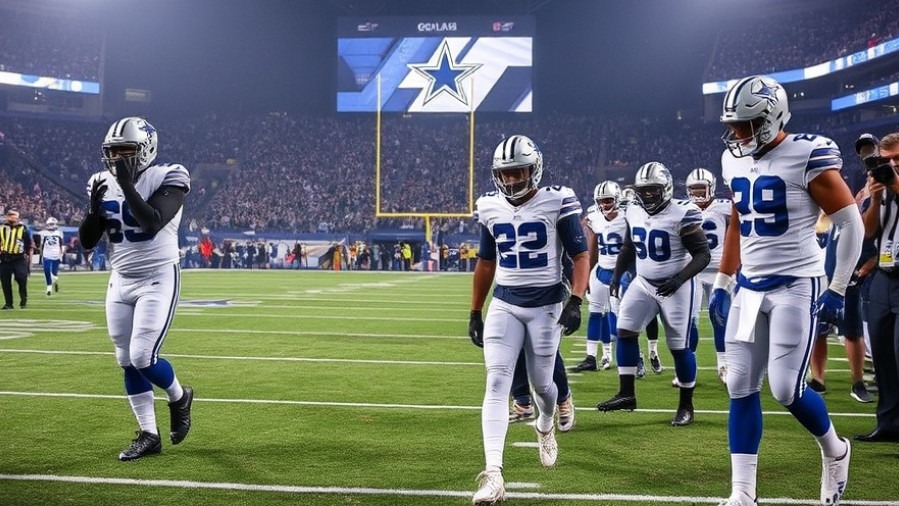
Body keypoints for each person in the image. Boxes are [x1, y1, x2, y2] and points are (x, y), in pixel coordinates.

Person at [710, 76, 861, 506]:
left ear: (771, 117)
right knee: (738, 384)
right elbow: (739, 220)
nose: (737, 134)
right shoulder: (732, 159)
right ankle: (742, 493)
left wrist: (838, 287)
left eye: (746, 125)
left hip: (797, 283)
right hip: (749, 286)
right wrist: (723, 281)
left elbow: (848, 222)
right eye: (733, 125)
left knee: (784, 388)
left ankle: (835, 449)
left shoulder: (807, 153)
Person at [468, 135, 589, 505]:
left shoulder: (557, 199)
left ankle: (545, 423)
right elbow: (487, 262)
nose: (511, 180)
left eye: (518, 171)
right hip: (505, 303)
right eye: (504, 173)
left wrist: (576, 300)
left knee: (542, 386)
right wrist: (475, 310)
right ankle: (493, 474)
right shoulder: (489, 206)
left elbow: (580, 255)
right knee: (496, 383)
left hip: (547, 304)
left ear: (533, 169)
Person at [78, 117, 194, 461]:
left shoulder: (170, 175)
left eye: (126, 152)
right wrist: (92, 210)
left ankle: (179, 396)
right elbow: (87, 241)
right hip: (120, 278)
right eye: (112, 153)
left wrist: (128, 186)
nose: (118, 160)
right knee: (126, 360)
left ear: (145, 150)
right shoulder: (99, 181)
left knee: (144, 356)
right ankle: (149, 434)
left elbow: (153, 221)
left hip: (158, 276)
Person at [596, 162, 710, 427]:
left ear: (666, 189)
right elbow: (628, 246)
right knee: (624, 330)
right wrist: (616, 277)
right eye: (643, 191)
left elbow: (702, 254)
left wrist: (679, 278)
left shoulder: (683, 212)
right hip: (644, 282)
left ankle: (686, 405)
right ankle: (626, 394)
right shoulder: (633, 210)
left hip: (678, 285)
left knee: (679, 348)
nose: (647, 196)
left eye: (653, 190)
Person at [858, 131, 899, 443]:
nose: (891, 165)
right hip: (884, 279)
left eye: (897, 158)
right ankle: (888, 424)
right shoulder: (880, 190)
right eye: (886, 160)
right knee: (883, 356)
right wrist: (874, 198)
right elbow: (869, 232)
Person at [573, 181, 627, 372]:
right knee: (595, 313)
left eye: (608, 200)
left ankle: (632, 356)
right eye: (601, 201)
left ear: (617, 199)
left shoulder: (628, 217)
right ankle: (590, 357)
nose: (604, 204)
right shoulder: (595, 217)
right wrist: (588, 273)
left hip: (621, 274)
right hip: (601, 271)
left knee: (620, 321)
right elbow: (593, 247)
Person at [685, 168, 733, 383]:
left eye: (700, 188)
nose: (697, 193)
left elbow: (737, 234)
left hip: (720, 271)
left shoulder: (724, 208)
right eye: (693, 189)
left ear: (711, 188)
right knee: (690, 320)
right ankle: (688, 365)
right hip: (694, 270)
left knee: (720, 317)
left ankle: (724, 364)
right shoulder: (683, 209)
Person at [0, 209, 33, 309]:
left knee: (21, 278)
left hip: (19, 257)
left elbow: (28, 244)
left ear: (18, 218)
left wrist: (28, 257)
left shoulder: (23, 229)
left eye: (13, 215)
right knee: (5, 281)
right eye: (9, 215)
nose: (11, 217)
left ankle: (24, 297)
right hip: (5, 258)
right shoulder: (1, 228)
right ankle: (8, 303)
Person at [40, 217, 65, 296]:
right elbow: (41, 245)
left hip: (56, 254)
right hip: (47, 254)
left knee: (54, 273)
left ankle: (55, 281)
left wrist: (61, 254)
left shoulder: (59, 233)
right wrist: (41, 254)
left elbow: (61, 245)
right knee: (46, 271)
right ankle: (49, 287)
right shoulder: (43, 233)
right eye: (50, 224)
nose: (51, 226)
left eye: (52, 224)